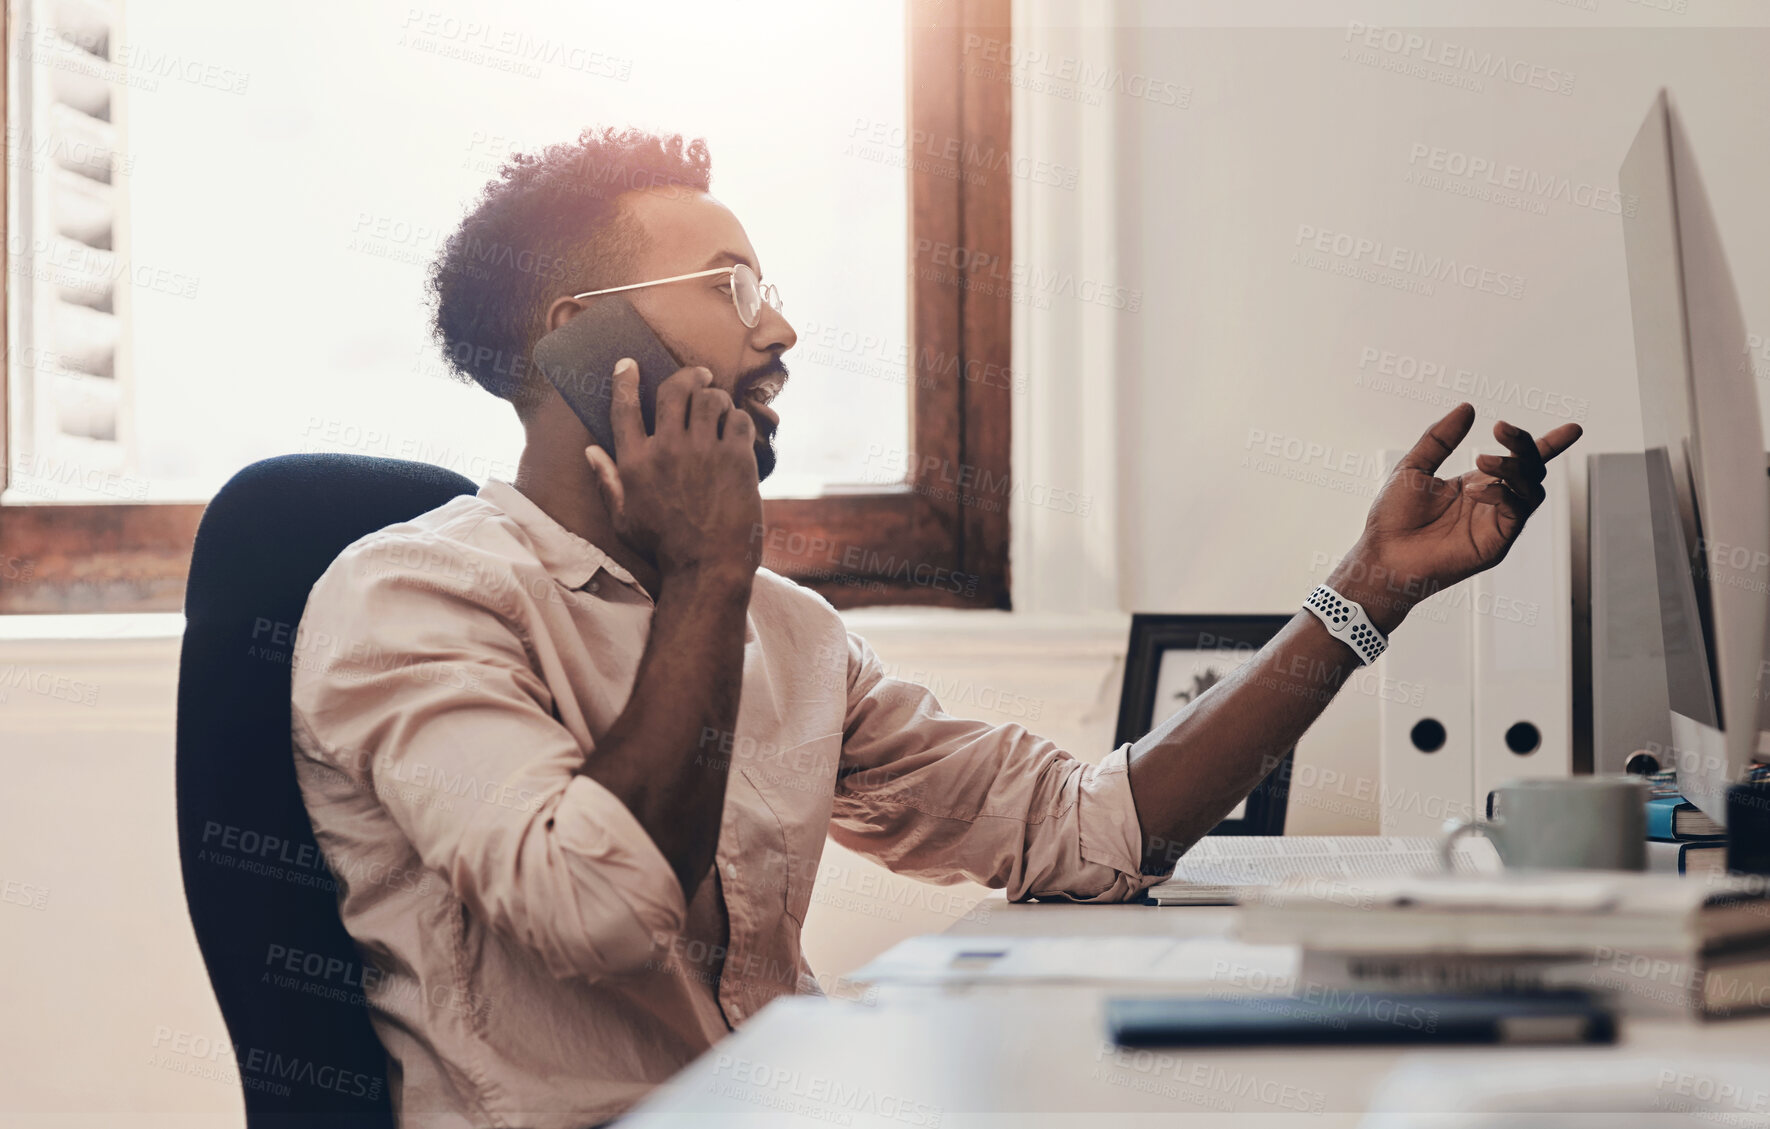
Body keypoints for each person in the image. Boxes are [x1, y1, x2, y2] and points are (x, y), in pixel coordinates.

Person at [290, 126, 1582, 1128]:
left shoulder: (786, 634)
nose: (781, 328)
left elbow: (1085, 828)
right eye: (732, 288)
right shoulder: (411, 601)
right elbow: (595, 906)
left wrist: (1364, 592)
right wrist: (706, 574)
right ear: (575, 340)